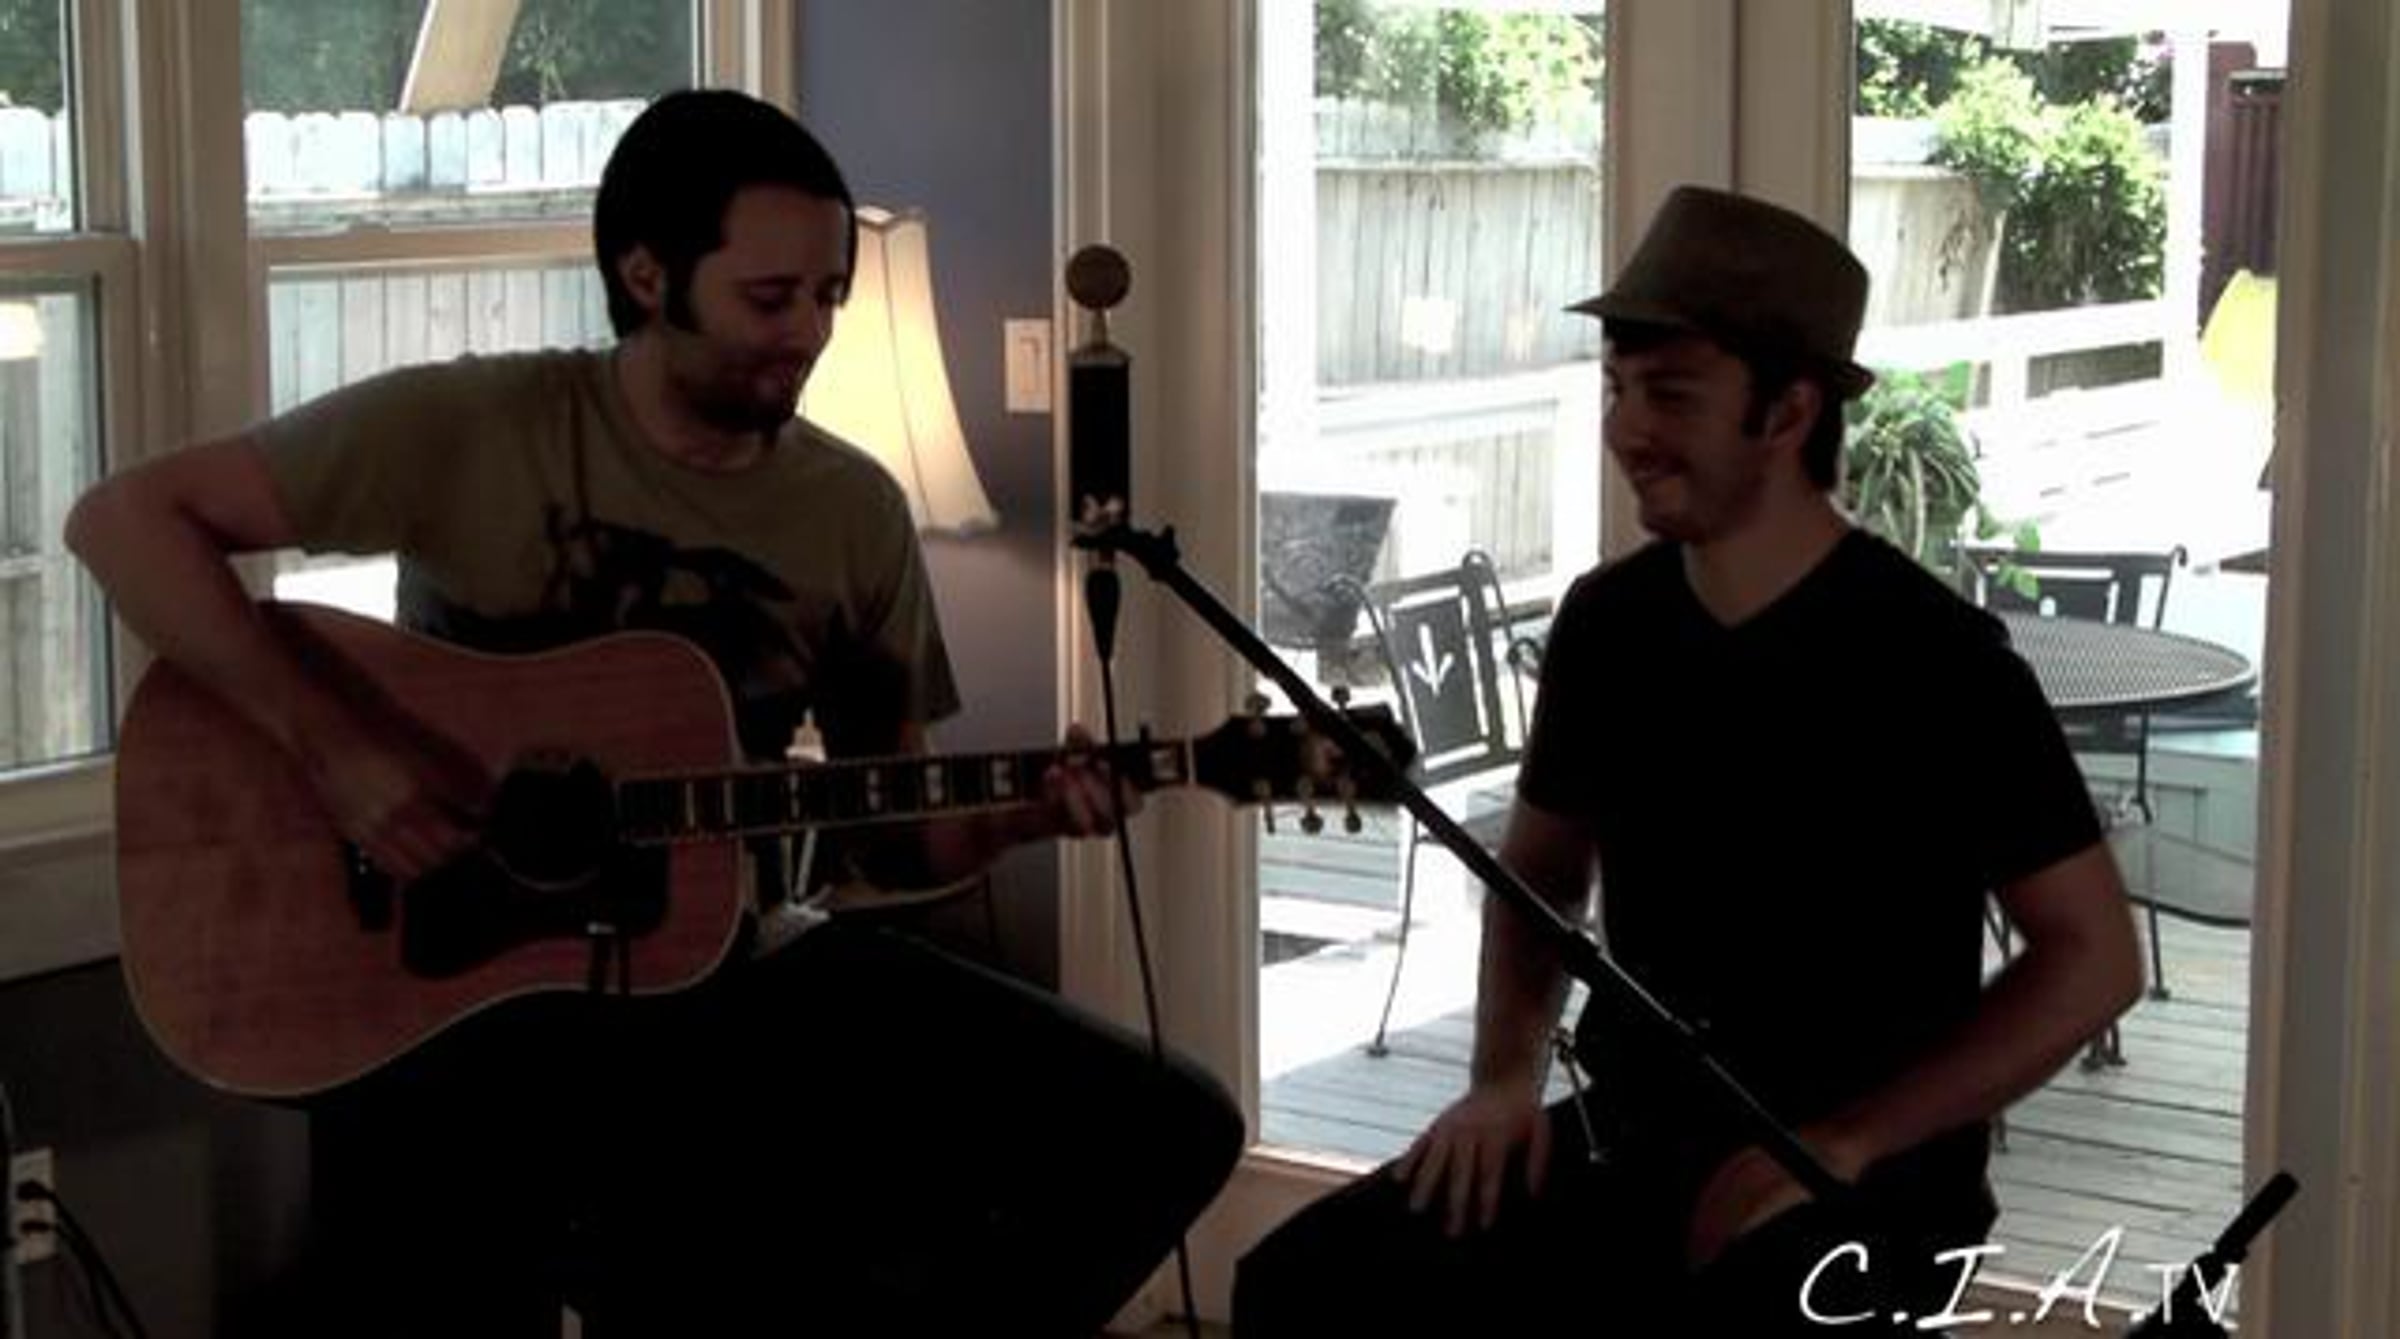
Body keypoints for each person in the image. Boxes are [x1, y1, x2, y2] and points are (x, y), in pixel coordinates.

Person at [68, 89, 1241, 1337]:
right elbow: (124, 522)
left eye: (830, 297)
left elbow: (891, 836)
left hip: (717, 984)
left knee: (1163, 1123)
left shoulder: (850, 514)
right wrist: (340, 755)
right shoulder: (471, 425)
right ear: (647, 276)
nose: (809, 335)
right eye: (770, 299)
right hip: (451, 982)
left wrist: (1025, 814)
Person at [1233, 186, 2145, 1335]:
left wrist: (1849, 1138)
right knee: (1299, 1286)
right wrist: (1503, 1079)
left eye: (1670, 393)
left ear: (1788, 410)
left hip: (1869, 1183)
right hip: (1642, 1137)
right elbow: (1539, 877)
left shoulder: (1939, 662)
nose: (1626, 428)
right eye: (1616, 387)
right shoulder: (1608, 625)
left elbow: (2093, 960)